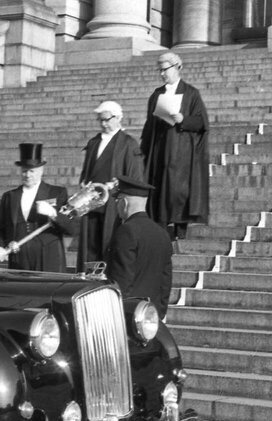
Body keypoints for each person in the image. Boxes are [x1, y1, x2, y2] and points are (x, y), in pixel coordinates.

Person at [140, 51, 209, 244]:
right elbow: (149, 124)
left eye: (165, 69)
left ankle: (180, 228)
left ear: (178, 67)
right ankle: (161, 225)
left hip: (182, 150)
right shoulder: (157, 94)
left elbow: (201, 122)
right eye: (160, 70)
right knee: (160, 186)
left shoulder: (191, 93)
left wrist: (183, 119)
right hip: (160, 149)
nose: (162, 74)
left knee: (179, 189)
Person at [77, 100, 144, 271]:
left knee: (109, 245)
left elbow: (135, 177)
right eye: (100, 120)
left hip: (114, 205)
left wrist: (115, 185)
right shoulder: (94, 142)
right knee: (90, 246)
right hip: (91, 203)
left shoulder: (128, 143)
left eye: (107, 119)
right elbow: (86, 171)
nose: (103, 124)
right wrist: (84, 183)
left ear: (118, 118)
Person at [0, 143, 75, 272]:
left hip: (48, 259)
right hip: (19, 260)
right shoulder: (10, 196)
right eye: (24, 171)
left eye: (32, 171)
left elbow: (71, 228)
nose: (28, 175)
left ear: (41, 171)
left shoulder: (57, 193)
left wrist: (54, 214)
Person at [105, 175, 173, 319]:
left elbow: (121, 280)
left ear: (124, 202)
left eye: (117, 200)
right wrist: (159, 315)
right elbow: (165, 282)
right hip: (151, 316)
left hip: (129, 314)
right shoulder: (162, 233)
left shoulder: (126, 231)